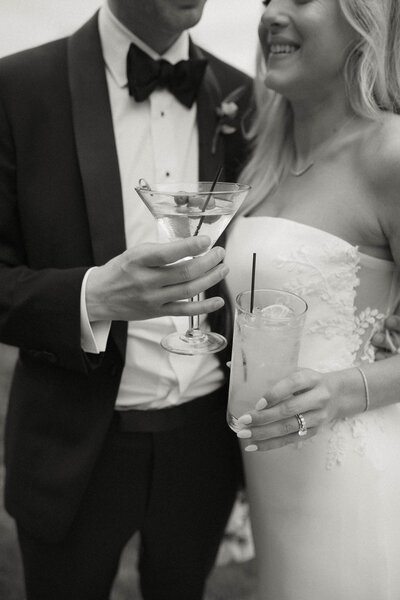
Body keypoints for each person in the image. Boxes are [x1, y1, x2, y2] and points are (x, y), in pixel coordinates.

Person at [0, 1, 252, 598]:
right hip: (74, 449)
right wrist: (92, 296)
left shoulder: (242, 96)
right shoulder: (17, 88)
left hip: (204, 445)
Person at [224, 0, 400, 598]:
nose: (272, 13)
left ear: (362, 22)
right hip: (272, 478)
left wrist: (340, 392)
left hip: (352, 477)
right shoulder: (261, 164)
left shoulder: (390, 154)